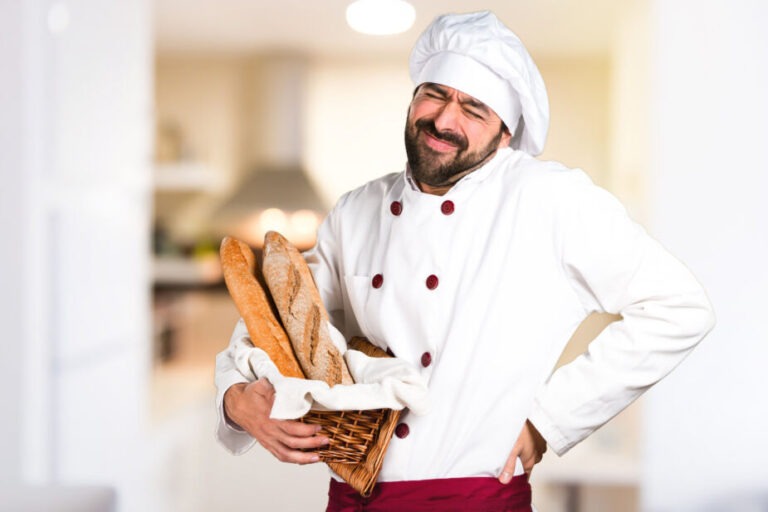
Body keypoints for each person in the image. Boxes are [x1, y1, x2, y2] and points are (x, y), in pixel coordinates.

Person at [214, 10, 715, 511]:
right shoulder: (356, 210)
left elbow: (679, 307)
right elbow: (280, 318)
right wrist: (236, 398)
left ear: (505, 135)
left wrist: (550, 419)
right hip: (352, 500)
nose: (444, 119)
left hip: (472, 499)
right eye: (435, 93)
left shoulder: (550, 199)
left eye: (474, 108)